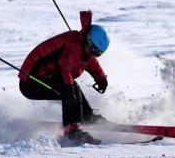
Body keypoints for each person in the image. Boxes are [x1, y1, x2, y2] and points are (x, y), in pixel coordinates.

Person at [18, 10, 110, 144]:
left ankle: (87, 116)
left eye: (98, 53)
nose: (94, 54)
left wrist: (101, 78)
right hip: (31, 82)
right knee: (68, 90)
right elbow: (64, 69)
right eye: (93, 50)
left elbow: (90, 61)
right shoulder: (73, 46)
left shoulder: (83, 47)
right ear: (87, 41)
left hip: (49, 77)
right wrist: (68, 90)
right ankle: (72, 131)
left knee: (71, 87)